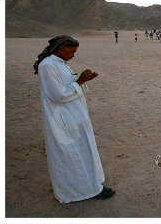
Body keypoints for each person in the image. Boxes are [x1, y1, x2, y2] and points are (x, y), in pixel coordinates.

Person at [33, 35, 115, 203]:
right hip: (62, 120)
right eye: (72, 51)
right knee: (72, 155)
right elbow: (58, 94)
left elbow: (67, 83)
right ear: (61, 47)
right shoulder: (47, 66)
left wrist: (82, 78)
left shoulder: (59, 64)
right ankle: (82, 191)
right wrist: (81, 80)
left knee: (82, 151)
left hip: (73, 116)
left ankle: (90, 185)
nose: (73, 55)